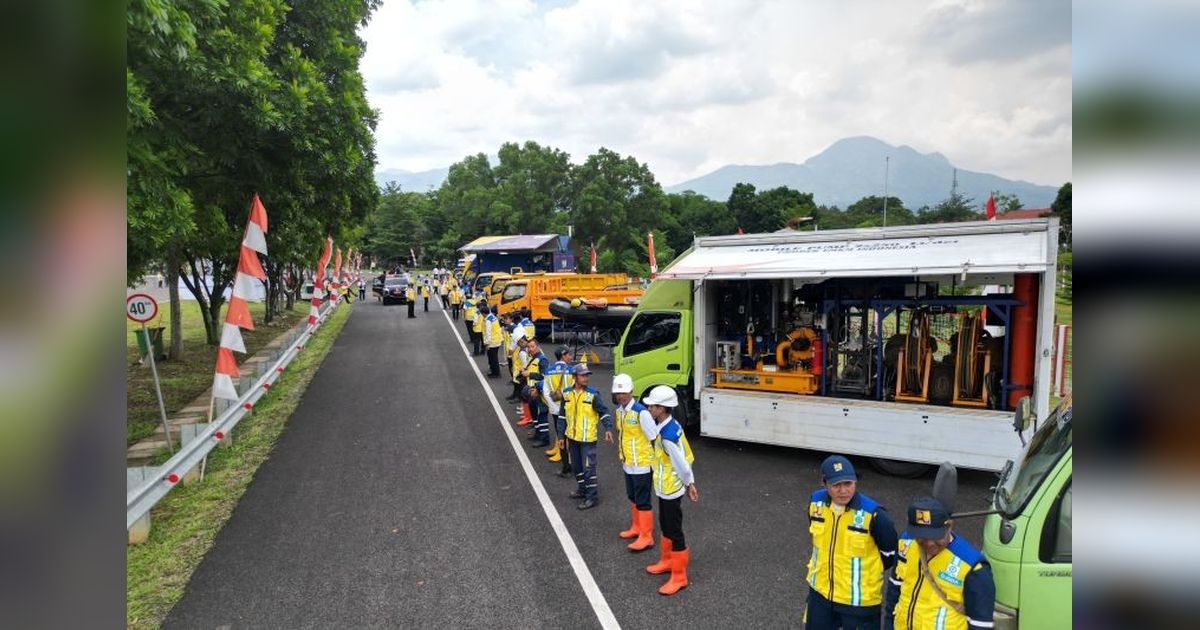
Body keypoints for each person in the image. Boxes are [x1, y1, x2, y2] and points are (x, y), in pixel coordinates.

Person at [803, 455, 899, 630]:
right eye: (836, 485)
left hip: (858, 602)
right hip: (820, 594)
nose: (843, 491)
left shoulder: (875, 515)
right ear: (824, 484)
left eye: (848, 484)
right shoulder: (815, 503)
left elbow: (890, 555)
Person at [883, 497, 995, 630]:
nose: (929, 543)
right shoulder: (905, 543)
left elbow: (981, 624)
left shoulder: (974, 568)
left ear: (949, 526)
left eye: (935, 536)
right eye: (922, 536)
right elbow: (894, 591)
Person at [641, 385, 698, 596]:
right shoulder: (669, 424)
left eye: (652, 406)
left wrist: (689, 483)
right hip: (665, 486)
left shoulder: (667, 436)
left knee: (674, 529)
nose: (648, 408)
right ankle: (666, 561)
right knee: (665, 524)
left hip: (671, 488)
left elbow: (681, 463)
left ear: (662, 408)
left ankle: (679, 576)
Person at [610, 373, 658, 552]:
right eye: (617, 393)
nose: (620, 396)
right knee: (632, 496)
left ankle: (647, 536)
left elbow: (654, 438)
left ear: (631, 391)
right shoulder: (620, 411)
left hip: (643, 465)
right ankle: (637, 528)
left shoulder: (641, 412)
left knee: (643, 500)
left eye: (623, 392)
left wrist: (659, 464)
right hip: (628, 463)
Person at [563, 364, 613, 510]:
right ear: (574, 377)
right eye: (583, 375)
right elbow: (561, 416)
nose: (586, 378)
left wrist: (608, 428)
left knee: (588, 468)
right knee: (577, 467)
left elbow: (604, 412)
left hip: (587, 440)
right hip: (572, 438)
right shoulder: (567, 394)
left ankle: (592, 497)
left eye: (587, 375)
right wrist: (561, 436)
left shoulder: (593, 394)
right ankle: (582, 489)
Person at [543, 348, 575, 476]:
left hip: (555, 409)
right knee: (571, 436)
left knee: (560, 435)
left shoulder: (548, 371)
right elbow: (574, 389)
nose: (571, 357)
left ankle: (565, 466)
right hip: (569, 408)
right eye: (569, 354)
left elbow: (546, 392)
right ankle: (573, 465)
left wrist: (554, 407)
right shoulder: (571, 370)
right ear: (563, 355)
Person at [523, 338, 550, 447]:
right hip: (532, 391)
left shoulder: (542, 360)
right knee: (534, 414)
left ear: (538, 347)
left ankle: (545, 438)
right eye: (529, 347)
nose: (530, 349)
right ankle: (538, 434)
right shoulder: (533, 358)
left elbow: (545, 376)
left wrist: (529, 374)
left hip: (539, 392)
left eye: (533, 346)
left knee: (541, 414)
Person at [484, 306, 503, 377]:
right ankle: (495, 371)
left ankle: (495, 373)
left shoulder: (488, 321)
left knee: (493, 358)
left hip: (492, 342)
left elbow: (488, 333)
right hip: (498, 339)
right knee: (495, 357)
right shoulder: (493, 317)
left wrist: (487, 344)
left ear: (484, 313)